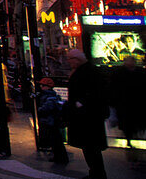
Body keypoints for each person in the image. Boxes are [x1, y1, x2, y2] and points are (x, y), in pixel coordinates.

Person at [66, 48, 108, 179]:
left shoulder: (88, 72)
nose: (69, 62)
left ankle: (97, 174)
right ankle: (95, 172)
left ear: (76, 60)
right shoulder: (86, 70)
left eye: (70, 59)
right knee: (90, 147)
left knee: (91, 148)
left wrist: (81, 102)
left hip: (88, 117)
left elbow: (96, 92)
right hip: (87, 116)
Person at [109, 55, 146, 164]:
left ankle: (133, 150)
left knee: (134, 129)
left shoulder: (136, 73)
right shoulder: (121, 74)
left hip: (134, 107)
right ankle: (132, 151)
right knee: (130, 129)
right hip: (126, 107)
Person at [37, 76, 69, 165]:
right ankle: (59, 157)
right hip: (52, 121)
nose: (41, 87)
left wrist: (40, 109)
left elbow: (47, 108)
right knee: (56, 140)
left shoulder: (49, 97)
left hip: (50, 121)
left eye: (43, 85)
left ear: (47, 86)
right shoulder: (52, 95)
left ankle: (60, 158)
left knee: (55, 140)